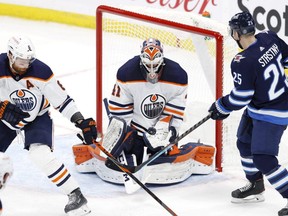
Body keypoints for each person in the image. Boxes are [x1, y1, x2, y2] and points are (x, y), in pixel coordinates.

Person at [72, 38, 215, 187]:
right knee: (125, 148)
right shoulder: (126, 73)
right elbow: (119, 114)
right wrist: (122, 136)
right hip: (134, 127)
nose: (152, 72)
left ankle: (157, 148)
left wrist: (169, 130)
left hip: (159, 129)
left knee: (162, 150)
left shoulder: (178, 76)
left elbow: (174, 112)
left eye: (156, 66)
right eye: (148, 66)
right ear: (141, 61)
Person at [0, 35, 97, 216]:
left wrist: (80, 121)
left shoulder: (41, 71)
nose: (25, 65)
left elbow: (62, 101)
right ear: (11, 56)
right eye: (21, 60)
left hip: (37, 116)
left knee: (40, 154)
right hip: (5, 119)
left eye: (28, 60)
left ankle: (75, 195)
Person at [208, 11, 288, 216]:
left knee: (263, 158)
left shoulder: (242, 60)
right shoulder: (269, 37)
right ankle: (256, 185)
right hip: (259, 107)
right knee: (244, 143)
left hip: (274, 113)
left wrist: (221, 106)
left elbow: (241, 97)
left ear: (236, 33)